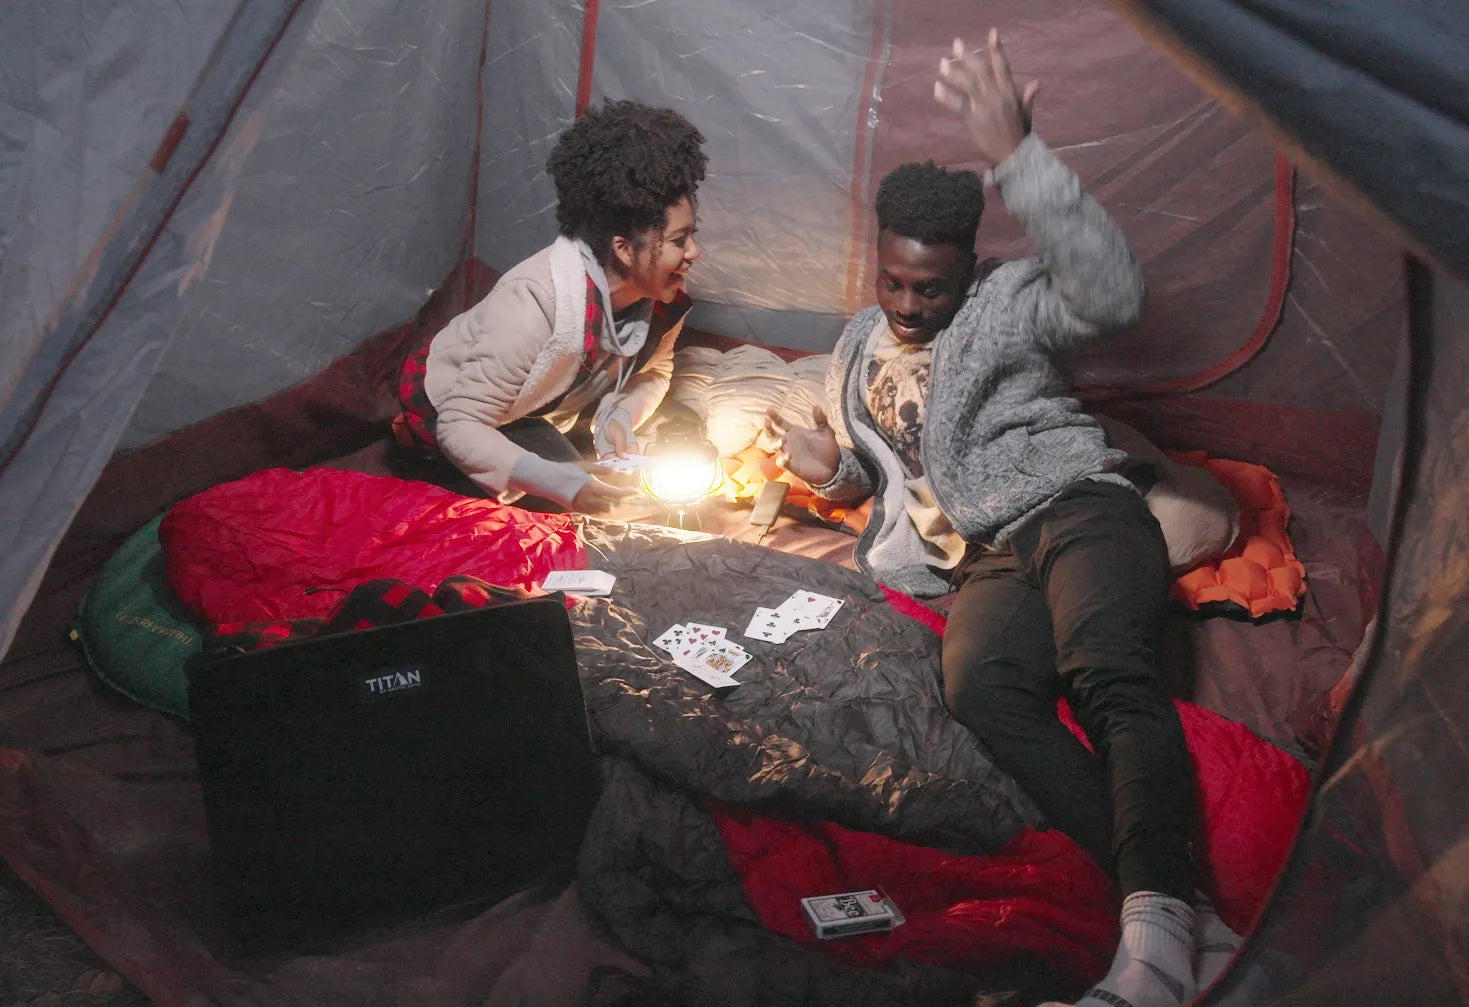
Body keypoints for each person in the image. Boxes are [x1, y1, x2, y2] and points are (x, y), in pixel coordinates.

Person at [768, 30, 1234, 1007]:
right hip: (986, 555)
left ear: (966, 267)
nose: (903, 304)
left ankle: (1149, 935)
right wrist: (831, 468)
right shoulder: (857, 340)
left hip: (1075, 509)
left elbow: (1113, 290)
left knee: (1105, 669)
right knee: (981, 690)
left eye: (926, 288)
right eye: (891, 282)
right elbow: (883, 472)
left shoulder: (1010, 300)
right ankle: (1180, 905)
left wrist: (1018, 154)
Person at [392, 100, 707, 513]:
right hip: (453, 423)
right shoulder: (535, 301)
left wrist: (619, 418)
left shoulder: (659, 303)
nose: (694, 253)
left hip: (529, 417)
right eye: (679, 240)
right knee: (543, 515)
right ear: (624, 249)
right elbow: (460, 425)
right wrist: (560, 483)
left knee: (592, 498)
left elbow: (656, 372)